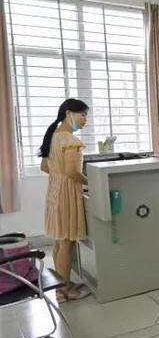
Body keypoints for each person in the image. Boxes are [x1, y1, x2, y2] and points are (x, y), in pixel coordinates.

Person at [40, 98, 91, 302]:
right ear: (69, 113)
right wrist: (91, 183)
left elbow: (45, 167)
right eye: (82, 114)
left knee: (59, 242)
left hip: (54, 193)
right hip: (67, 195)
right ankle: (64, 292)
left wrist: (59, 176)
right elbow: (72, 172)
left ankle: (62, 285)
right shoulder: (70, 141)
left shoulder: (52, 136)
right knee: (67, 244)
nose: (85, 119)